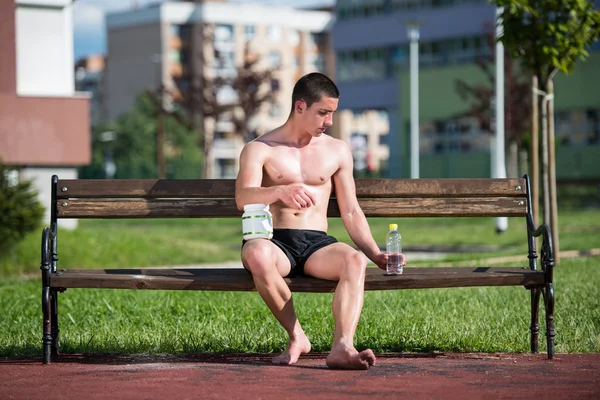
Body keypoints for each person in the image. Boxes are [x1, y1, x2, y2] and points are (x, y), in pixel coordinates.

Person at [235, 72, 406, 370]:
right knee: (256, 253)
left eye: (332, 113)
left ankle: (342, 347)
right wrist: (279, 191)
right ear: (300, 107)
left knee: (354, 259)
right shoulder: (260, 149)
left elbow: (351, 211)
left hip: (316, 245)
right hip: (275, 242)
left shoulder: (337, 150)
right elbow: (243, 198)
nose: (329, 121)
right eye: (323, 112)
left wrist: (375, 253)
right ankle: (297, 336)